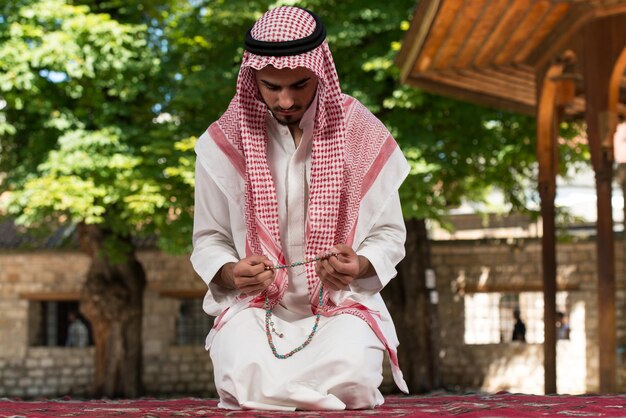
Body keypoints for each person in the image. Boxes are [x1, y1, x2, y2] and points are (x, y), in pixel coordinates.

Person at [191, 6, 409, 411]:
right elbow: (209, 239)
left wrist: (358, 265)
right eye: (271, 87)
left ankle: (281, 397)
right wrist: (231, 273)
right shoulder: (221, 143)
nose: (286, 100)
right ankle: (300, 397)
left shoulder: (360, 131)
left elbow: (390, 235)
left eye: (299, 85)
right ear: (252, 76)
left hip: (340, 309)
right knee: (245, 369)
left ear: (320, 71)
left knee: (353, 374)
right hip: (256, 312)